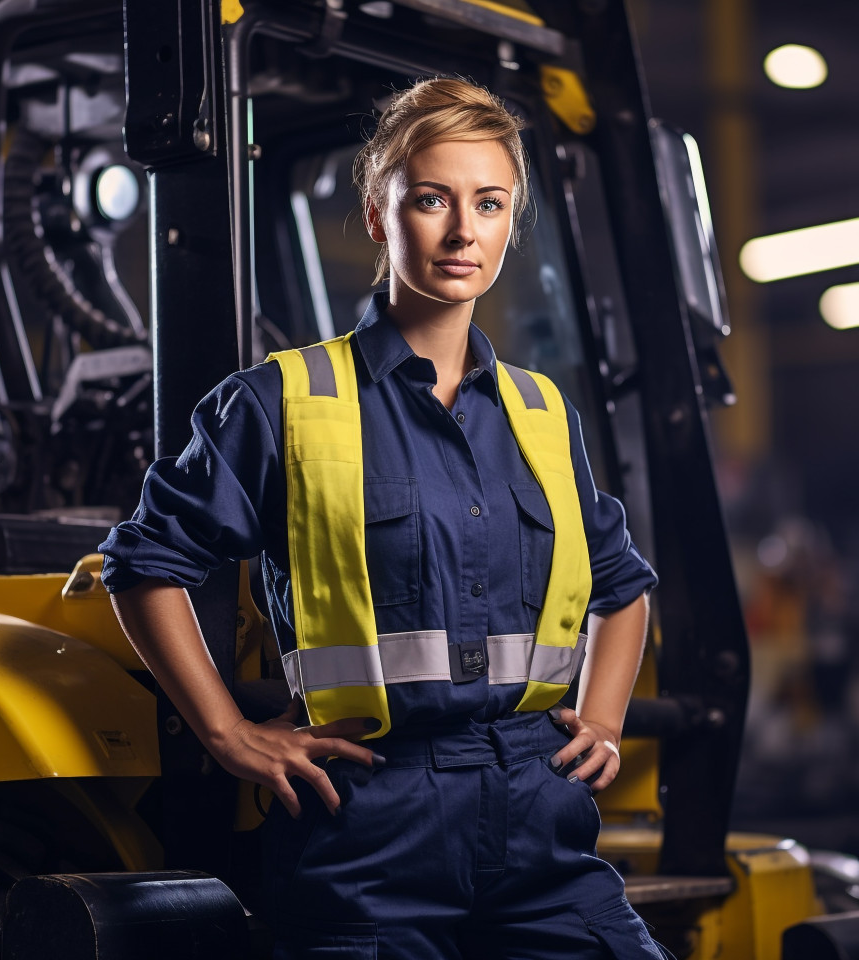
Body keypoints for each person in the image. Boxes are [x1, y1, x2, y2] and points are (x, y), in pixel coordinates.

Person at [100, 77, 670, 959]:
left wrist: (602, 716)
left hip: (540, 814)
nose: (462, 230)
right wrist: (227, 734)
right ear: (378, 214)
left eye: (489, 203)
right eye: (431, 200)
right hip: (368, 827)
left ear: (511, 222)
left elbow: (622, 586)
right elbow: (143, 563)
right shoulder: (279, 402)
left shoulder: (542, 412)